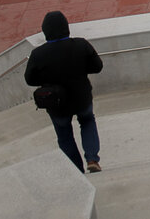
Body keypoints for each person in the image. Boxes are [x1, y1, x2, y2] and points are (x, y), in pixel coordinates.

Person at [24, 11, 104, 173]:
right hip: (81, 97)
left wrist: (47, 79)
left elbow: (30, 79)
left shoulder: (38, 54)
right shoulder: (81, 45)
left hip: (56, 103)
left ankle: (76, 170)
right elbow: (97, 66)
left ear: (45, 31)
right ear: (66, 27)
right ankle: (92, 158)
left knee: (64, 134)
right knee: (88, 121)